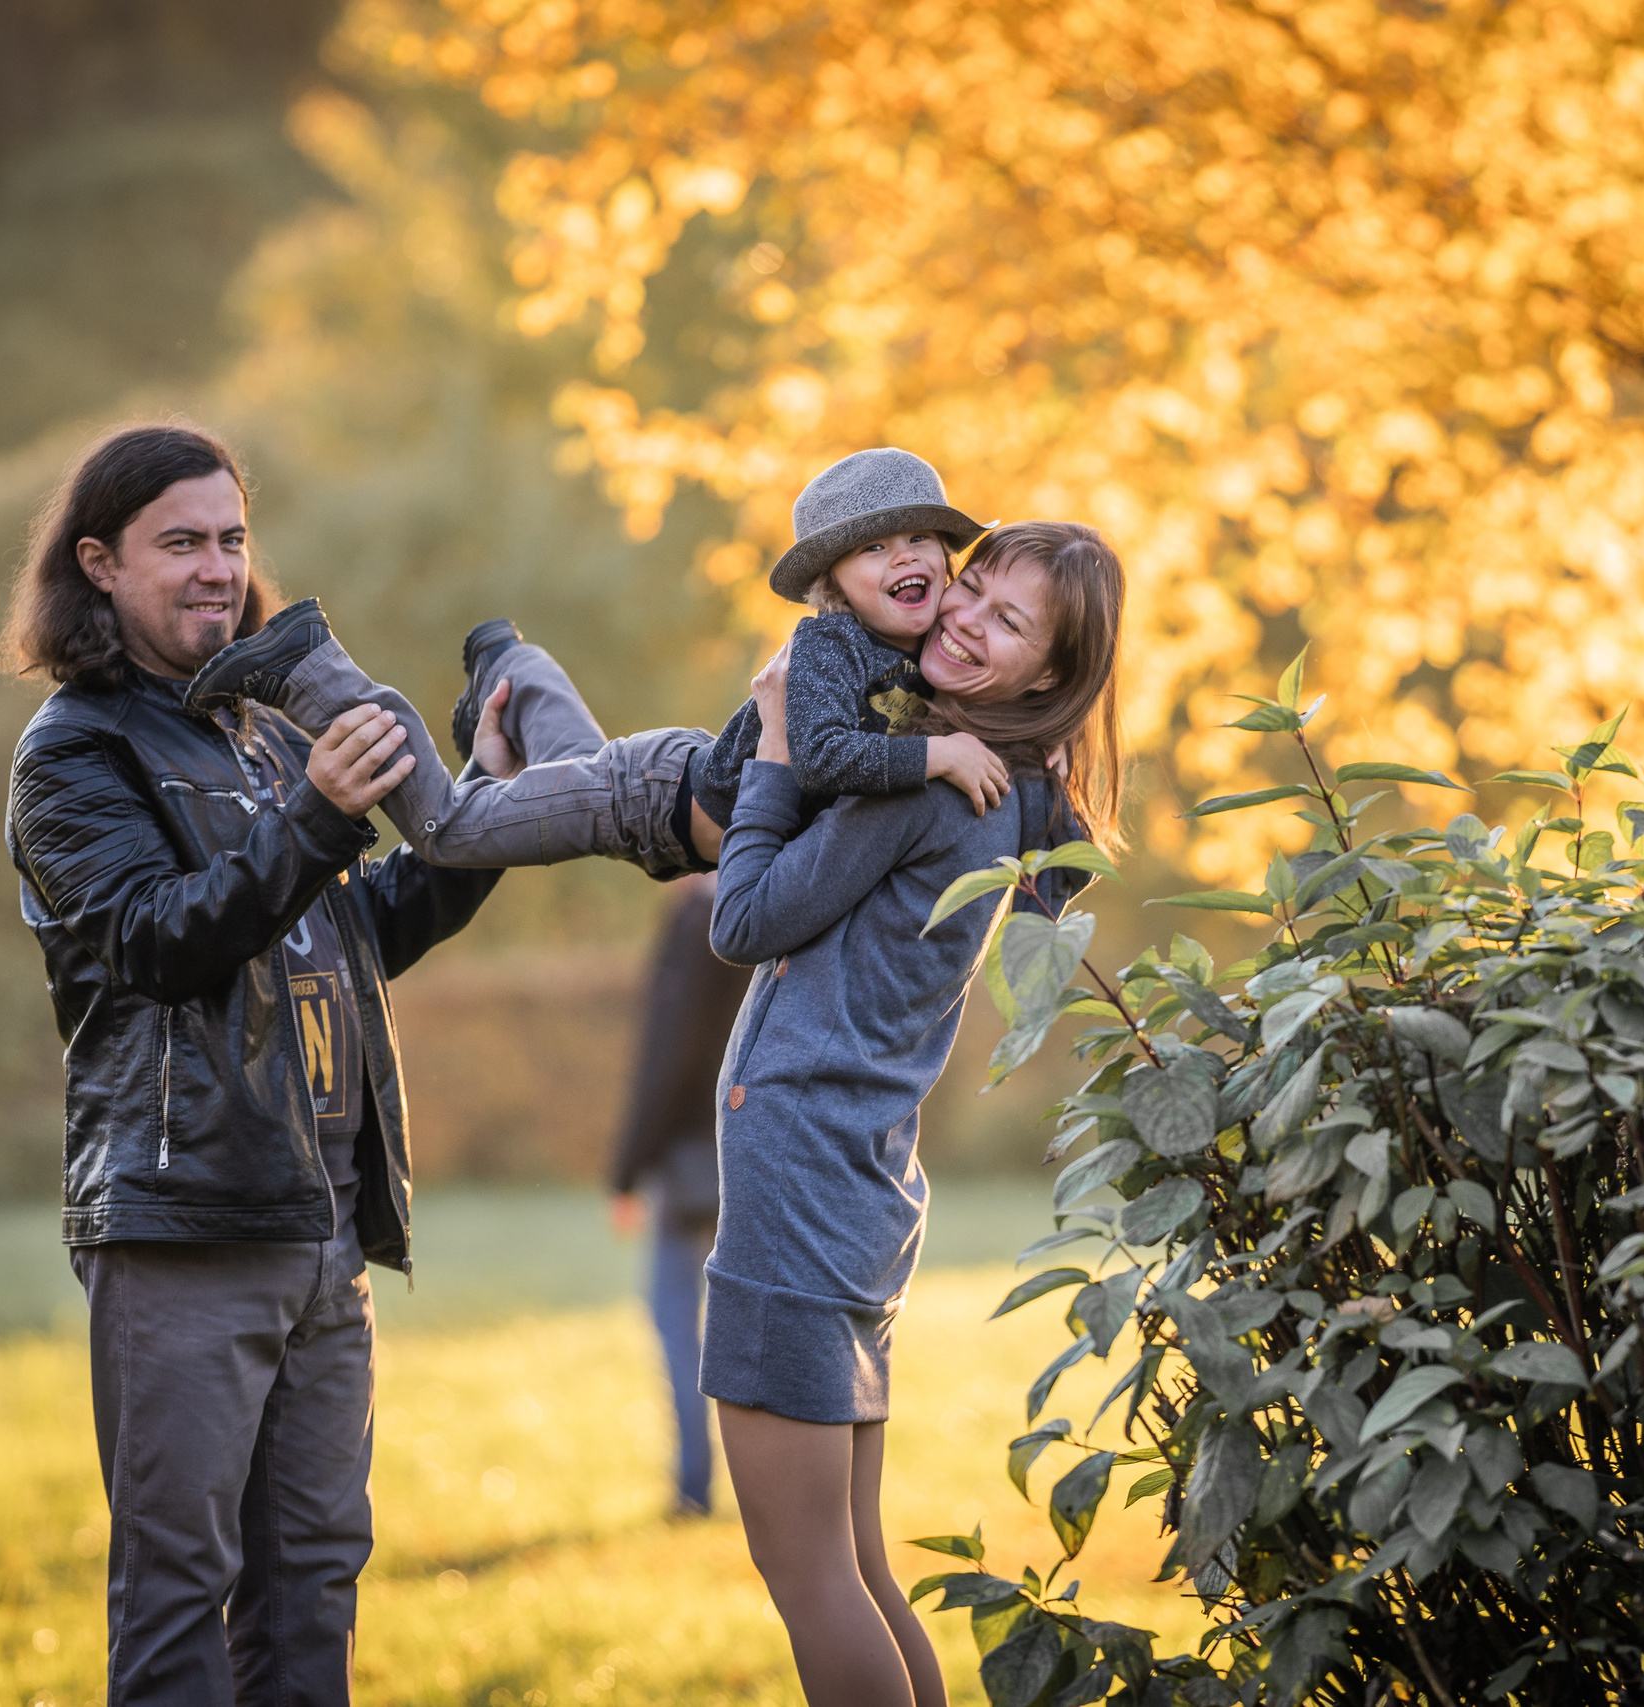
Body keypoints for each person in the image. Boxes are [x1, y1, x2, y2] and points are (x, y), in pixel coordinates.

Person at [0, 423, 502, 1706]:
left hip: (322, 1223)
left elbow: (357, 931)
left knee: (314, 1582)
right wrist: (321, 814)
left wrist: (483, 820)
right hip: (185, 1222)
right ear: (99, 564)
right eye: (182, 543)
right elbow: (155, 941)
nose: (219, 568)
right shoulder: (74, 750)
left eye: (231, 538)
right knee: (179, 1589)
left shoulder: (263, 731)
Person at [703, 522, 1125, 1707]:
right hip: (862, 1186)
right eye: (970, 586)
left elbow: (741, 921)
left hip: (801, 1182)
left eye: (1006, 621)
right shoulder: (1013, 791)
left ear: (1049, 675)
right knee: (855, 1567)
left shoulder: (927, 784)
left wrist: (778, 744)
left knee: (809, 1576)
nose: (963, 618)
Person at [173, 447, 1019, 878]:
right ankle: (310, 668)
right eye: (874, 547)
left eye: (921, 538)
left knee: (577, 762)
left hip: (667, 799)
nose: (906, 556)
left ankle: (512, 665)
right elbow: (827, 756)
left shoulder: (925, 656)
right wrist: (940, 754)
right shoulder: (830, 646)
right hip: (646, 797)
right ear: (831, 583)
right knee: (448, 833)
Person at [606, 873, 755, 1518]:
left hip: (693, 1162)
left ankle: (694, 1487)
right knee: (751, 1329)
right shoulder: (767, 906)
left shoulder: (696, 922)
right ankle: (761, 1489)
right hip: (760, 1151)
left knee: (675, 1318)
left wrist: (625, 1173)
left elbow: (665, 1056)